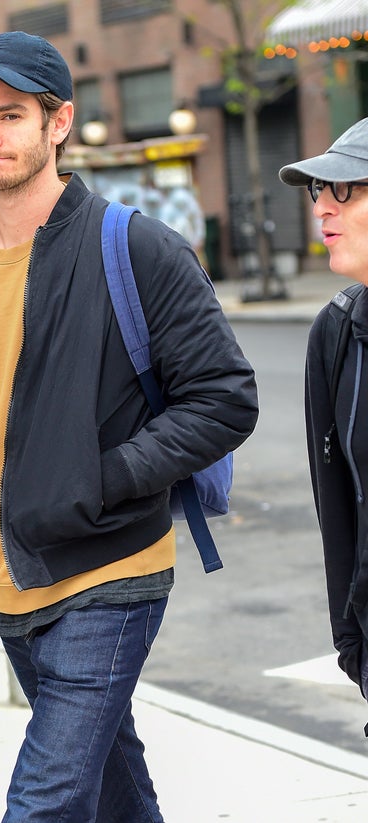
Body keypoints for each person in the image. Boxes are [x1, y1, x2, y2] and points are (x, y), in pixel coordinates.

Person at [0, 31, 258, 821]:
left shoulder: (137, 248)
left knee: (45, 802)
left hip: (109, 571)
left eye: (11, 115)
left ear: (58, 123)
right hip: (7, 581)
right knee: (114, 789)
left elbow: (225, 398)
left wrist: (99, 480)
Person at [279, 118, 368, 713]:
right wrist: (351, 642)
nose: (322, 210)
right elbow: (335, 505)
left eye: (346, 190)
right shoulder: (337, 332)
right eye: (319, 191)